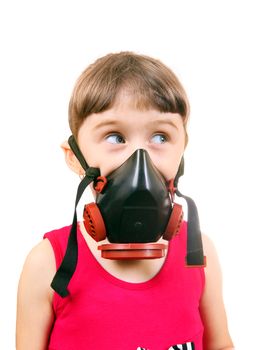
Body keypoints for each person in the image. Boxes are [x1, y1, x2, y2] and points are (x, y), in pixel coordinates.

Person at [16, 51, 234, 350]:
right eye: (116, 137)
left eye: (160, 137)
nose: (139, 161)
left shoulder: (197, 253)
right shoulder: (48, 263)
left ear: (182, 150)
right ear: (75, 157)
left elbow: (220, 346)